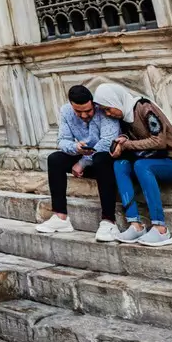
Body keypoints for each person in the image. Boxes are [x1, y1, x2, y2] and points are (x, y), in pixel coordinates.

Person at [95, 82, 172, 247]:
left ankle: (160, 229)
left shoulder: (144, 107)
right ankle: (135, 225)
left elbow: (159, 141)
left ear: (115, 101)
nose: (108, 113)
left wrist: (127, 145)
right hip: (152, 161)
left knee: (142, 166)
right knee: (120, 165)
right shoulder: (125, 117)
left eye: (108, 108)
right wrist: (123, 140)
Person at [37, 84, 122, 237]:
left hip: (106, 158)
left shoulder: (103, 109)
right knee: (55, 159)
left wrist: (82, 162)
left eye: (88, 111)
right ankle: (60, 217)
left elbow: (108, 142)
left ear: (93, 103)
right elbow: (62, 140)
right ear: (71, 105)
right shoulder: (66, 111)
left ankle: (109, 221)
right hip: (83, 152)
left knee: (101, 158)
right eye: (78, 111)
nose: (84, 115)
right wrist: (75, 148)